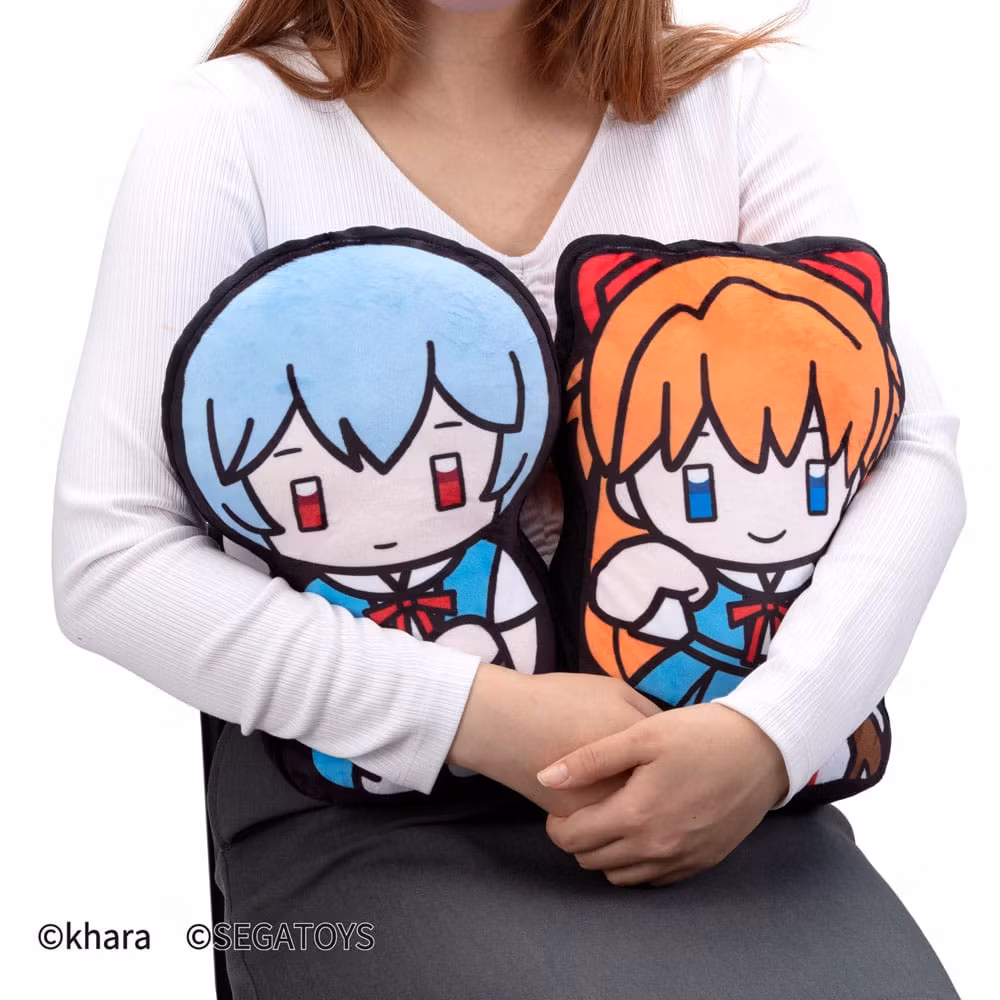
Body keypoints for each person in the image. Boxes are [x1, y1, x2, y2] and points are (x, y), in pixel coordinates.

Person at [51, 1, 966, 997]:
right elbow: (114, 557)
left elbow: (910, 447)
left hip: (717, 783)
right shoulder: (229, 127)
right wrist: (477, 715)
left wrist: (772, 733)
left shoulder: (727, 108)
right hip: (378, 805)